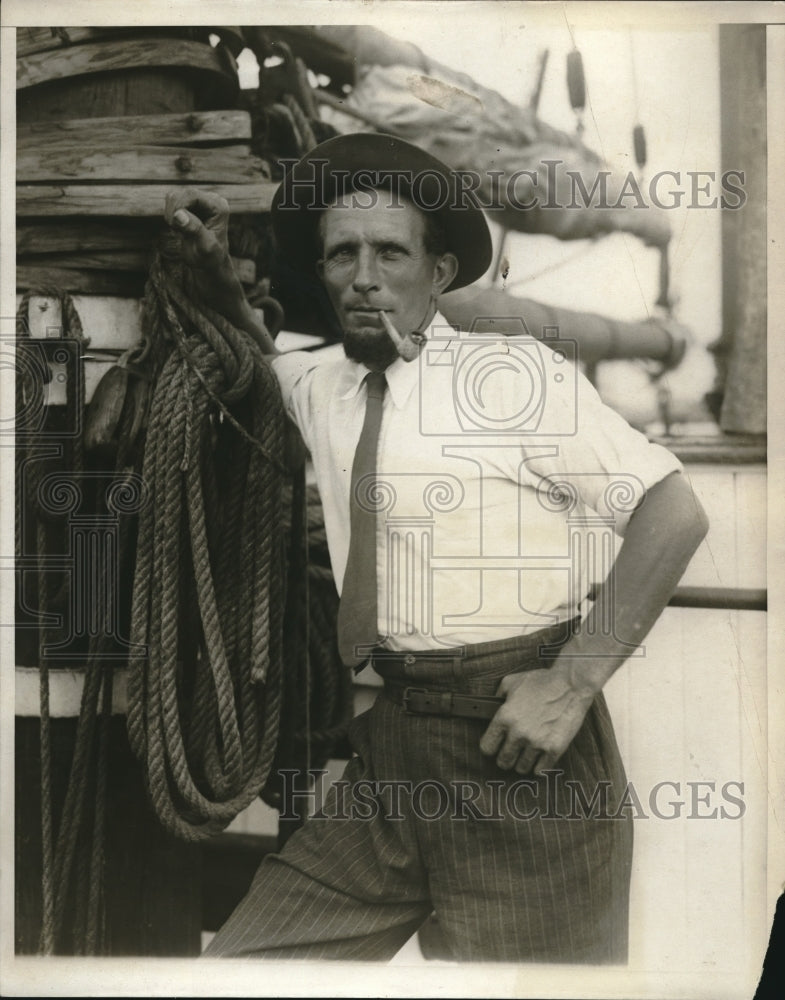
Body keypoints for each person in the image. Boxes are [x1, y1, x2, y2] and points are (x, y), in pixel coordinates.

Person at [164, 133, 709, 963]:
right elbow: (257, 353)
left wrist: (573, 680)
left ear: (440, 273)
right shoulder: (325, 385)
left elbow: (672, 512)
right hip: (390, 759)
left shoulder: (515, 379)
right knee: (242, 969)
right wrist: (210, 281)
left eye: (390, 251)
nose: (364, 276)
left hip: (519, 758)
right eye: (342, 254)